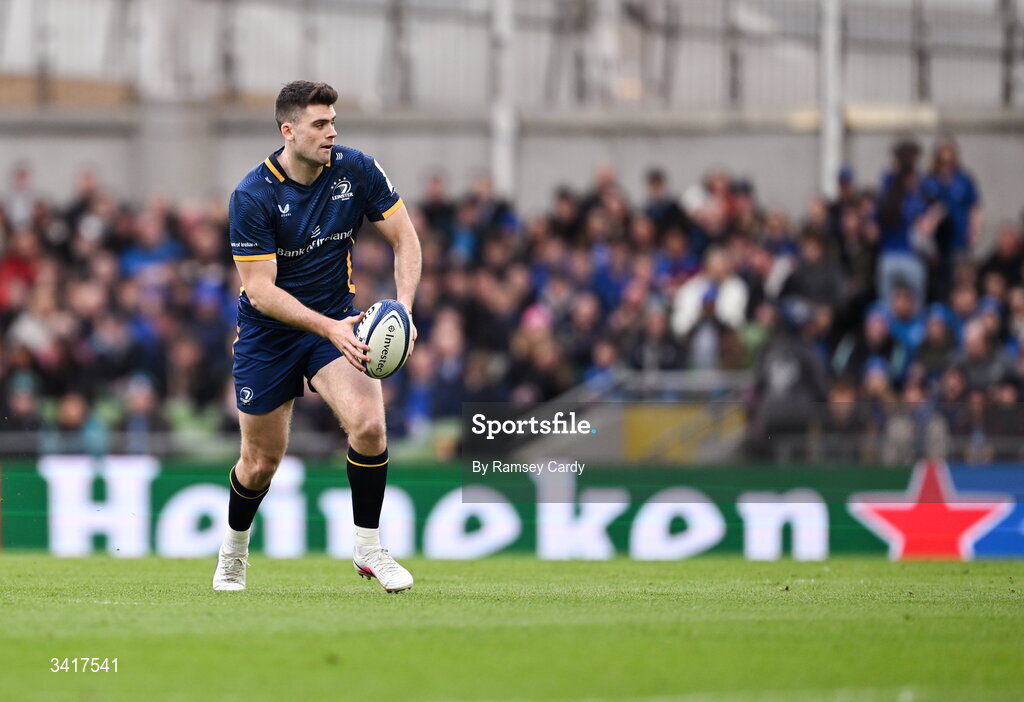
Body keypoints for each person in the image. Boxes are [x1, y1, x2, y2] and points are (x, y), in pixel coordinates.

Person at [212, 81, 422, 593]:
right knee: (261, 463)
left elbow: (405, 237)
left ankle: (369, 548)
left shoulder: (357, 169)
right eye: (319, 124)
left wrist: (406, 311)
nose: (332, 132)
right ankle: (234, 552)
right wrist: (329, 326)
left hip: (337, 324)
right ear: (289, 131)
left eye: (333, 122)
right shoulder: (253, 195)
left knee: (370, 426)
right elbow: (260, 291)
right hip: (270, 333)